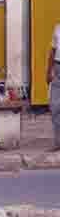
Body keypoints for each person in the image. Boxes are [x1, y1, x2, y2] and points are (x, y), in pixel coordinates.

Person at [47, 23, 60, 152]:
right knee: (55, 106)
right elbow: (52, 51)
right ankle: (58, 142)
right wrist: (48, 71)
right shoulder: (57, 28)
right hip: (58, 69)